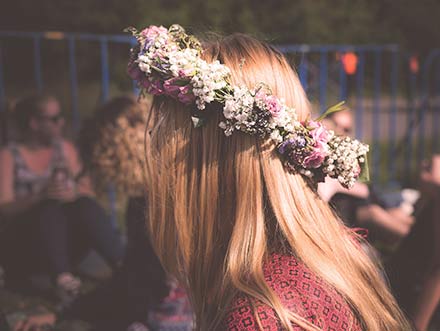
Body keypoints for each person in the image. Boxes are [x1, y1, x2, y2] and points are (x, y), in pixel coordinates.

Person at [128, 25, 412, 330]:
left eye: (164, 140)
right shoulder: (331, 258)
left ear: (205, 164)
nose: (155, 161)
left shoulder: (259, 316)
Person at [0, 94, 124, 304]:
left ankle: (123, 265)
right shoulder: (9, 156)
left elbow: (89, 194)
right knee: (48, 207)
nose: (62, 123)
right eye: (55, 118)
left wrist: (74, 192)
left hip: (67, 241)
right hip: (28, 243)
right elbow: (4, 207)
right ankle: (63, 280)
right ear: (34, 123)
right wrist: (40, 196)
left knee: (84, 204)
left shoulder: (64, 149)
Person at [319, 108, 416, 241]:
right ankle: (417, 243)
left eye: (346, 129)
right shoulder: (320, 152)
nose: (340, 131)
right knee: (375, 213)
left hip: (364, 202)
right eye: (336, 124)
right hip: (346, 209)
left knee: (398, 214)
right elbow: (358, 190)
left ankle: (428, 238)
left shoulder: (351, 154)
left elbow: (363, 187)